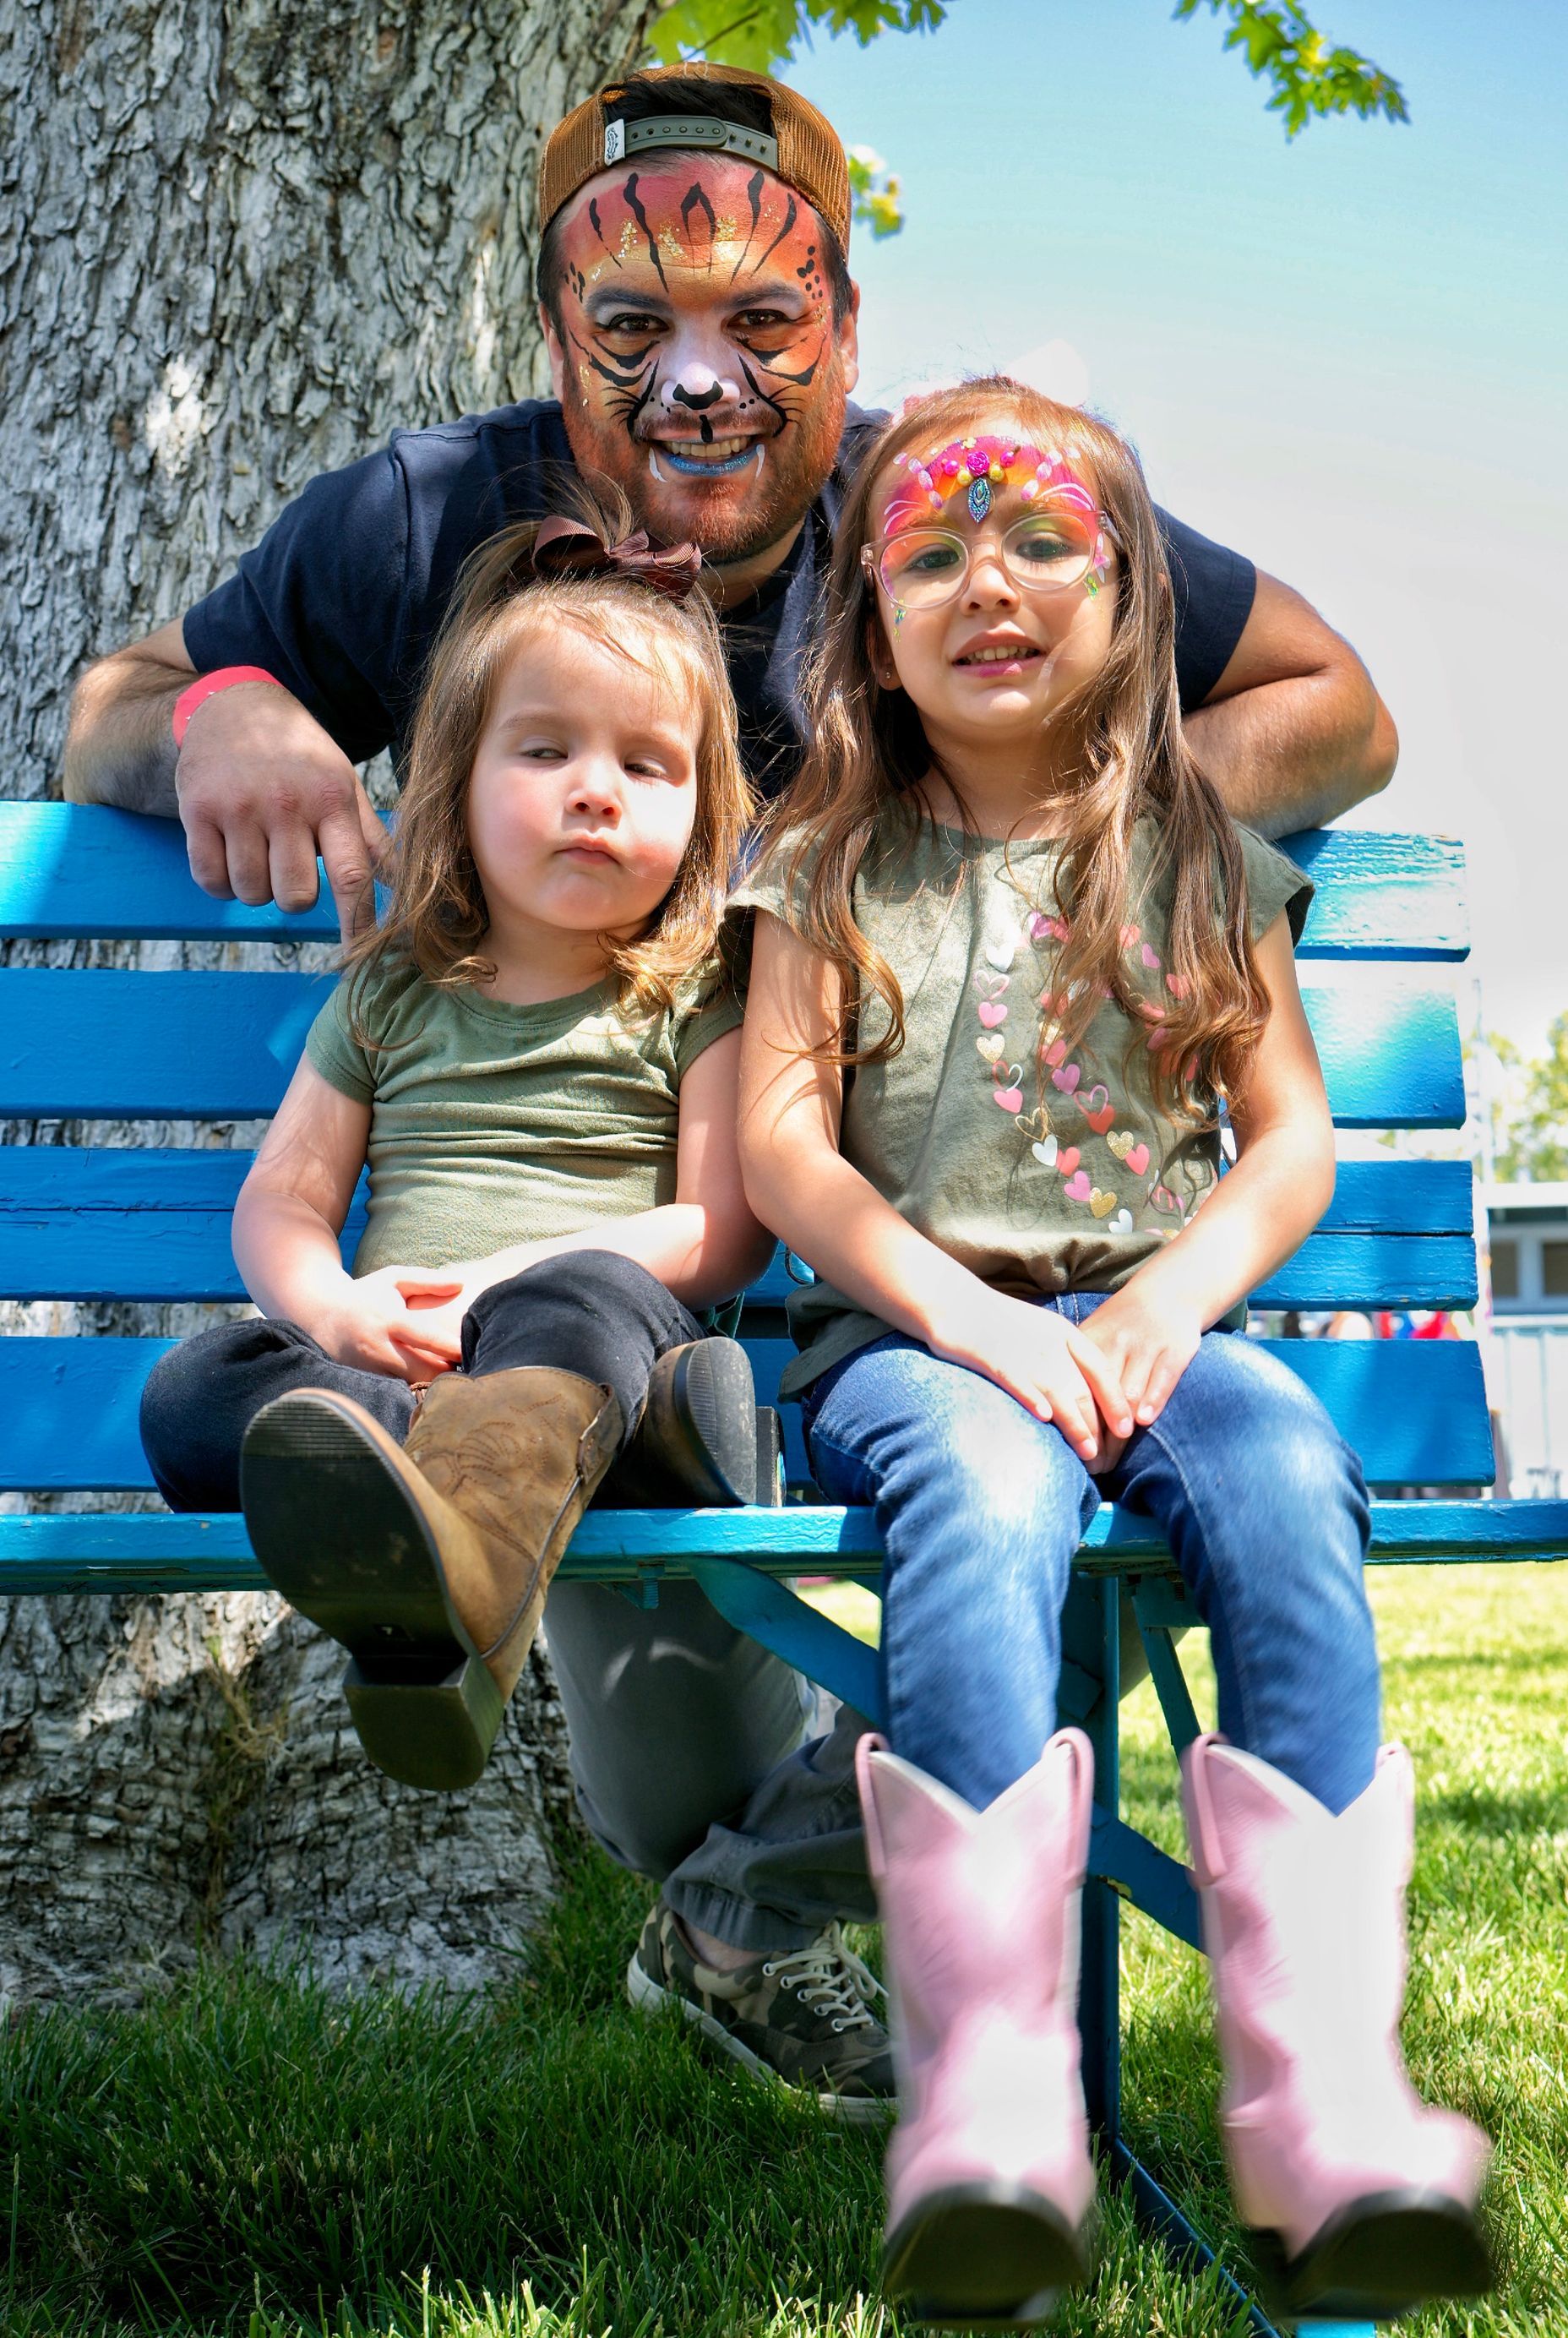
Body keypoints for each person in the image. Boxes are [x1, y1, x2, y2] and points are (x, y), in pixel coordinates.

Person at [63, 62, 1396, 2107]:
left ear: (845, 330)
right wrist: (224, 709)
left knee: (1070, 1481)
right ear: (551, 335)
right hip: (611, 1310)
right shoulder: (428, 516)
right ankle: (729, 1884)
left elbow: (1337, 704)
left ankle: (764, 1915)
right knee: (690, 1740)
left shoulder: (953, 515)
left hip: (866, 1287)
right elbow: (120, 707)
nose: (698, 384)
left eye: (761, 327)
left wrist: (1047, 832)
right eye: (632, 331)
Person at [733, 379, 1492, 2324]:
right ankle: (992, 2105)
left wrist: (1168, 1299)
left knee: (1281, 1470)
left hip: (1155, 1323)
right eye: (928, 554)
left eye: (1039, 540)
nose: (985, 583)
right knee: (983, 1501)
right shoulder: (825, 861)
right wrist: (969, 1316)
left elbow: (1291, 1135)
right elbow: (783, 1152)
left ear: (1135, 593)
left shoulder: (1192, 852)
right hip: (919, 1339)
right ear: (870, 630)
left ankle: (1321, 2095)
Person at [134, 514, 889, 2112]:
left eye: (649, 766)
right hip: (404, 1392)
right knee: (199, 1393)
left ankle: (458, 1588)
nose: (598, 790)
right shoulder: (394, 994)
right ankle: (420, 1539)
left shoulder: (694, 993)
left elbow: (719, 1227)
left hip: (589, 1353)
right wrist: (331, 1307)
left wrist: (502, 1282)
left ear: (703, 819)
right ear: (452, 790)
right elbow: (279, 1209)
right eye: (546, 751)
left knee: (602, 1298)